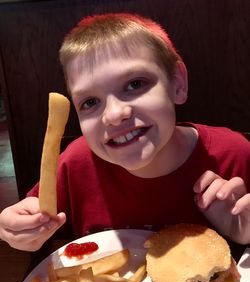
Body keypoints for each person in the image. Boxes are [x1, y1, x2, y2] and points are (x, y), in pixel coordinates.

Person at [0, 13, 250, 252]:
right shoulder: (75, 164)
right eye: (89, 102)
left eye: (135, 84)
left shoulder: (233, 155)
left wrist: (245, 234)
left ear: (177, 83)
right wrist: (20, 229)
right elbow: (32, 222)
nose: (113, 114)